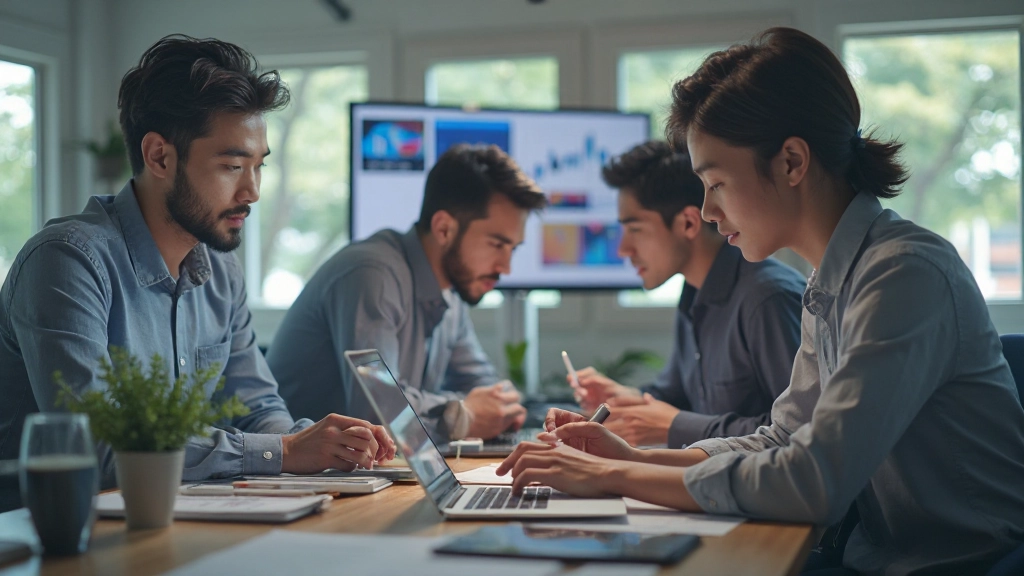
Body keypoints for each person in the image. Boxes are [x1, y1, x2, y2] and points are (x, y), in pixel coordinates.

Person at [497, 27, 1024, 575]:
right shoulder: (834, 278)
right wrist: (635, 458)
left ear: (792, 162)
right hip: (879, 558)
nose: (704, 210)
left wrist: (612, 477)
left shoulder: (903, 275)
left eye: (716, 183)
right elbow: (781, 436)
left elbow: (813, 480)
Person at [0, 36, 395, 513]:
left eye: (258, 166)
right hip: (47, 540)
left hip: (171, 518)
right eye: (232, 166)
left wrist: (319, 444)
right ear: (160, 157)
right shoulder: (66, 261)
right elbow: (103, 448)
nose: (252, 191)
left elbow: (257, 408)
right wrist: (284, 452)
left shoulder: (220, 272)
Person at [268, 145, 547, 442]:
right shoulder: (372, 274)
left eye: (513, 249)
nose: (506, 268)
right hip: (299, 479)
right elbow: (378, 415)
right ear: (444, 229)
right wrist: (461, 414)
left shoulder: (450, 294)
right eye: (496, 244)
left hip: (366, 474)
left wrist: (492, 409)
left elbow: (487, 392)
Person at [571, 141, 804, 448]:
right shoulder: (694, 292)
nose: (623, 249)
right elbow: (675, 397)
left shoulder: (767, 299)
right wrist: (627, 399)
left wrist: (677, 427)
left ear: (689, 223)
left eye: (635, 229)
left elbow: (797, 435)